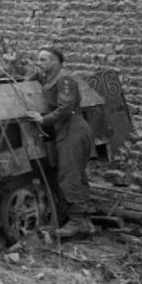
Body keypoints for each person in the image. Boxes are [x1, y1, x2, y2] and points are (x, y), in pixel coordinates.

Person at [26, 46, 95, 238]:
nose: (38, 63)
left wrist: (42, 119)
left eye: (43, 60)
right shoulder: (47, 79)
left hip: (73, 130)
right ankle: (80, 220)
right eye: (38, 59)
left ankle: (77, 222)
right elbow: (29, 81)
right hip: (62, 131)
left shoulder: (65, 79)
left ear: (56, 61)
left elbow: (65, 108)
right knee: (68, 174)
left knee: (69, 175)